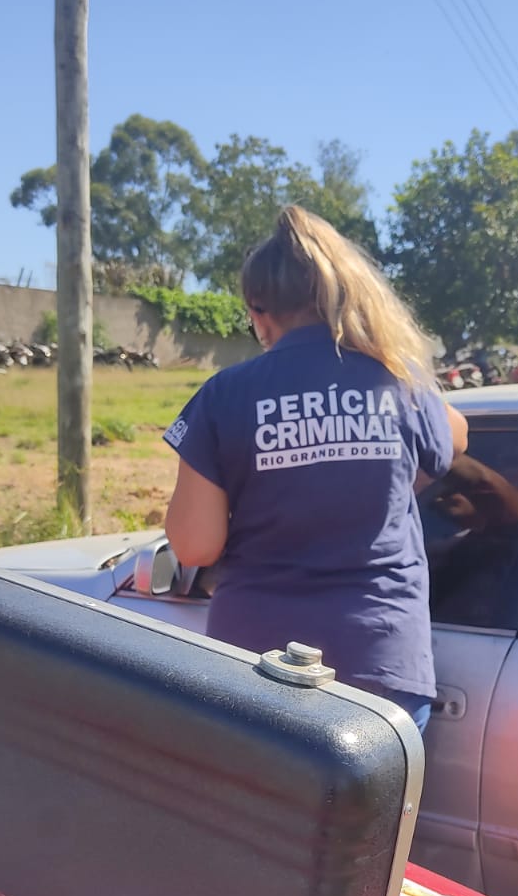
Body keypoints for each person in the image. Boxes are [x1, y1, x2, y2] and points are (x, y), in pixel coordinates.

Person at [162, 205, 467, 733]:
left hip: (255, 663)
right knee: (371, 820)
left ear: (259, 312)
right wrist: (384, 478)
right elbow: (456, 433)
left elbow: (194, 547)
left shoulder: (225, 395)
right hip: (382, 665)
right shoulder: (399, 382)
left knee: (250, 817)